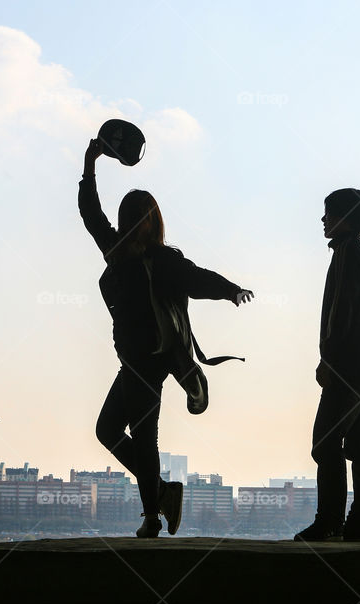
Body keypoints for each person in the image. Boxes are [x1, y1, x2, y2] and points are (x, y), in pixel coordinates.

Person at [78, 138, 253, 538]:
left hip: (152, 360)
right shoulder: (117, 252)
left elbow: (196, 279)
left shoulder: (165, 259)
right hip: (131, 361)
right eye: (132, 217)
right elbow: (91, 214)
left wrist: (229, 289)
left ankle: (153, 517)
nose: (138, 223)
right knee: (108, 432)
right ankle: (161, 494)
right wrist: (90, 164)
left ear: (153, 221)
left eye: (145, 217)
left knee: (143, 437)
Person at [295, 188, 360, 542]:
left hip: (349, 363)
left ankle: (330, 521)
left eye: (329, 212)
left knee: (325, 442)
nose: (323, 219)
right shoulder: (355, 252)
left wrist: (328, 359)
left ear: (345, 218)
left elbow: (341, 312)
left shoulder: (348, 253)